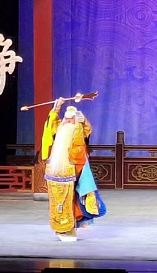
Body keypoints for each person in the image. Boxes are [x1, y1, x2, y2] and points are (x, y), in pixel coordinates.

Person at [41, 98, 106, 241]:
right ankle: (61, 228)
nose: (68, 121)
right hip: (57, 170)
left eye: (71, 118)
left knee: (73, 200)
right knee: (58, 201)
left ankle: (70, 228)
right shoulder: (59, 127)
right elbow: (50, 126)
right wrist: (56, 107)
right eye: (66, 118)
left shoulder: (78, 129)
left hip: (75, 169)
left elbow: (87, 131)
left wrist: (84, 121)